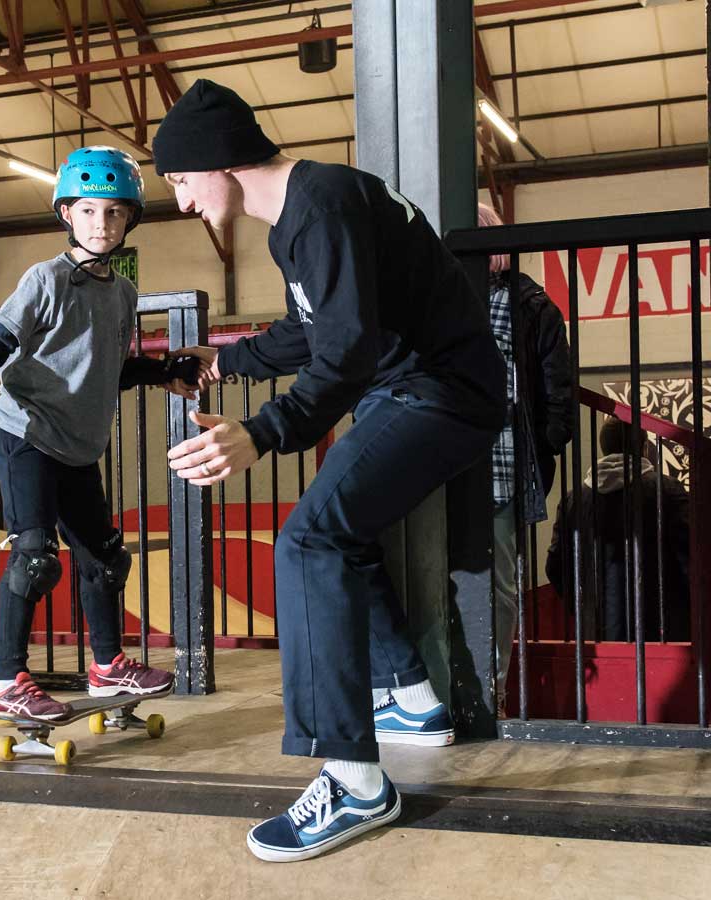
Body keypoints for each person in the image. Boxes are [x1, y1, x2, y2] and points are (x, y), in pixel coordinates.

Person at [153, 80, 505, 862]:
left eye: (178, 180)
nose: (179, 201)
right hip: (409, 390)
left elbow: (342, 352)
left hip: (442, 392)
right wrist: (227, 362)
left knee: (308, 541)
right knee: (328, 531)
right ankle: (411, 700)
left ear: (216, 161)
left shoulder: (326, 203)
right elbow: (313, 329)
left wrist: (263, 430)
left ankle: (354, 780)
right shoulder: (299, 221)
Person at [0, 146, 203, 720]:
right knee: (35, 559)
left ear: (130, 218)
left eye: (112, 212)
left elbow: (106, 368)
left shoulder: (124, 293)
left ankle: (107, 668)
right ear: (67, 215)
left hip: (78, 445)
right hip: (25, 432)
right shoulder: (45, 279)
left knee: (105, 558)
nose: (100, 224)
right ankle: (5, 682)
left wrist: (163, 373)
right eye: (87, 211)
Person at [478, 202, 574, 716]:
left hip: (505, 462)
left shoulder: (533, 306)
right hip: (459, 458)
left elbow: (558, 390)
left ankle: (489, 684)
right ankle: (469, 682)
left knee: (498, 578)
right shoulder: (450, 301)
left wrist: (547, 445)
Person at [545, 417, 690, 643]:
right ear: (643, 448)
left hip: (597, 630)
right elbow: (689, 557)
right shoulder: (667, 490)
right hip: (662, 628)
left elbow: (556, 566)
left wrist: (583, 608)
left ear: (604, 448)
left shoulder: (574, 500)